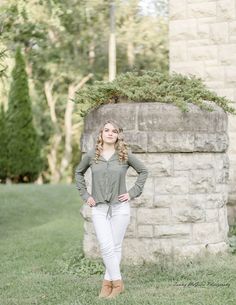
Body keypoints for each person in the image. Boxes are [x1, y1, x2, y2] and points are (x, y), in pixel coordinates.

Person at [75, 119, 148, 299]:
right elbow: (78, 173)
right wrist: (86, 196)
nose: (110, 133)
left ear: (118, 136)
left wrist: (132, 193)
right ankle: (118, 282)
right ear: (101, 134)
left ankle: (108, 285)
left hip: (120, 208)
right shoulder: (92, 155)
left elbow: (143, 171)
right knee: (106, 246)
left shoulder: (124, 155)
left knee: (115, 246)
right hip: (99, 208)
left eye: (114, 131)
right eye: (106, 130)